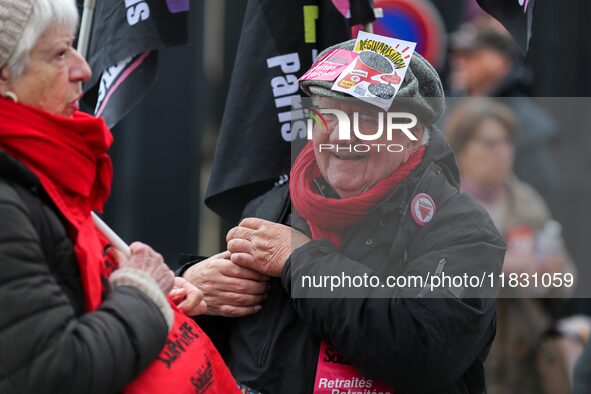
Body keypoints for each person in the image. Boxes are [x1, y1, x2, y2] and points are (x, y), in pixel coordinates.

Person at [180, 39, 506, 393]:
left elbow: (423, 349)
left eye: (365, 119)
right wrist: (192, 287)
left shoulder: (461, 226)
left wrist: (299, 260)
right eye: (326, 115)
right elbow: (234, 351)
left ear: (413, 135)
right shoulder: (274, 206)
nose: (340, 136)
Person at [0, 1, 239, 393]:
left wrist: (165, 286)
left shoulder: (42, 176)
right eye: (59, 54)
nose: (83, 69)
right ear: (5, 79)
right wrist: (143, 294)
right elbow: (55, 371)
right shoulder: (10, 201)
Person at [443, 98, 575, 394]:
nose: (503, 153)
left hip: (523, 362)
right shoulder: (440, 204)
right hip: (464, 360)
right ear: (461, 151)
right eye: (490, 144)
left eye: (507, 143)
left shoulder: (526, 200)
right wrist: (499, 269)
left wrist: (549, 275)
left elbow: (566, 277)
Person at [448, 21, 561, 214]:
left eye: (471, 55)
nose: (459, 62)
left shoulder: (528, 123)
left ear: (499, 62)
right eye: (457, 55)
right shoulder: (447, 108)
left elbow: (544, 192)